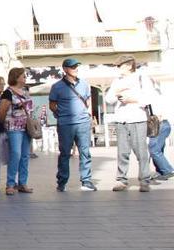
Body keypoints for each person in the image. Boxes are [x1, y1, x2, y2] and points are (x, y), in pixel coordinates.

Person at [105, 55, 153, 192]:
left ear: (128, 65)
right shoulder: (117, 81)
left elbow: (150, 97)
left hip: (138, 118)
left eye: (119, 66)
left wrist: (133, 99)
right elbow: (109, 100)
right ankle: (121, 180)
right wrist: (117, 92)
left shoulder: (142, 78)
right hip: (121, 119)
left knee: (141, 151)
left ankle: (144, 180)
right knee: (122, 151)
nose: (117, 68)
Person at [48, 58, 96, 192]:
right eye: (72, 67)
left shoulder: (84, 84)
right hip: (65, 124)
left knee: (85, 152)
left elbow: (87, 102)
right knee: (64, 153)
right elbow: (52, 105)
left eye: (76, 66)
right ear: (65, 69)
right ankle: (62, 182)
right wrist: (61, 115)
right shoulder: (57, 87)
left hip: (82, 123)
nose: (75, 69)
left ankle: (86, 181)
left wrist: (87, 116)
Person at [0, 68, 34, 196]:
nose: (25, 78)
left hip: (26, 127)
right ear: (16, 77)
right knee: (16, 154)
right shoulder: (8, 93)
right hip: (13, 128)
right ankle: (10, 184)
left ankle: (22, 183)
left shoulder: (26, 91)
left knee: (25, 155)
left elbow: (30, 109)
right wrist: (5, 124)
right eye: (23, 76)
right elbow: (1, 112)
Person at [144, 74, 173, 181]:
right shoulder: (157, 93)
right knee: (158, 149)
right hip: (163, 124)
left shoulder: (151, 94)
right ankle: (160, 171)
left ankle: (167, 170)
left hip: (159, 124)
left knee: (154, 149)